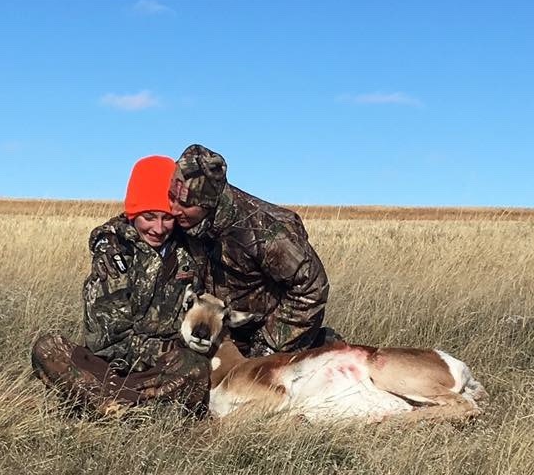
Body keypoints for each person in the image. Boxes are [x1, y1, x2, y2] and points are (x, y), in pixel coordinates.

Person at [31, 155, 211, 415]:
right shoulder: (112, 250)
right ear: (133, 212)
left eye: (167, 218)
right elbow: (108, 342)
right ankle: (130, 408)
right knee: (47, 349)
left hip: (163, 369)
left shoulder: (190, 248)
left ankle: (112, 409)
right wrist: (166, 348)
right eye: (148, 216)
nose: (159, 229)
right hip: (106, 368)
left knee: (196, 367)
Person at [169, 144, 332, 357]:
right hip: (215, 329)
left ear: (208, 203)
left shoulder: (264, 232)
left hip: (262, 335)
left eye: (185, 203)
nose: (173, 209)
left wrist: (267, 349)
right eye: (172, 197)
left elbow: (312, 288)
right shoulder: (190, 222)